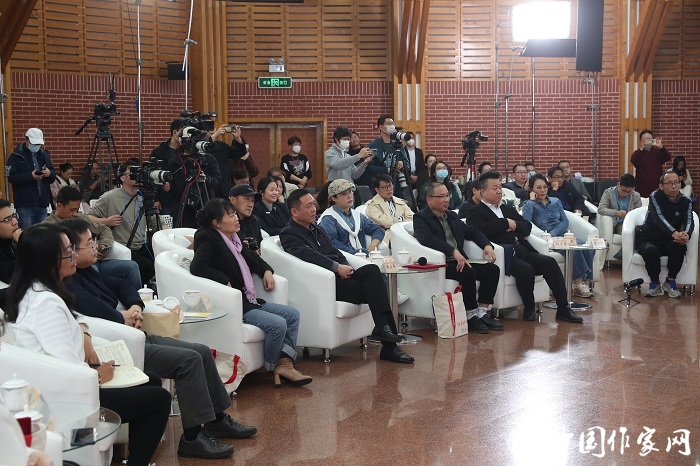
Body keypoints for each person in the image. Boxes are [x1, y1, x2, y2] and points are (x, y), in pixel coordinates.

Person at [61, 217, 256, 459]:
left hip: (135, 334)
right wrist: (121, 317)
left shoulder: (89, 271)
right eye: (89, 243)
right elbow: (95, 308)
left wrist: (134, 307)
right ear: (70, 250)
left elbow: (122, 285)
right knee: (189, 361)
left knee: (202, 351)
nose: (95, 247)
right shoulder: (68, 283)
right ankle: (192, 438)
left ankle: (216, 420)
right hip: (120, 346)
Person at [1, 223, 170, 466]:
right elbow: (66, 367)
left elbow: (71, 326)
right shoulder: (46, 303)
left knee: (150, 379)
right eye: (67, 252)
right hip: (68, 396)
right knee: (159, 399)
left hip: (61, 384)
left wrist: (84, 332)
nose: (74, 255)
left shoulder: (33, 290)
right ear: (47, 261)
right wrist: (99, 374)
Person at [281, 189, 415, 364]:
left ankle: (383, 330)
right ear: (294, 211)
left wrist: (347, 267)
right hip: (324, 283)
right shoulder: (289, 233)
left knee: (372, 271)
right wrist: (337, 268)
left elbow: (334, 251)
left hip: (340, 276)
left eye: (314, 204)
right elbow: (308, 256)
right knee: (374, 290)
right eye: (309, 206)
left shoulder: (316, 228)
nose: (314, 209)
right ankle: (390, 345)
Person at [191, 198, 312, 386]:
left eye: (234, 214)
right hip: (232, 303)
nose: (236, 218)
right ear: (216, 223)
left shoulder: (233, 239)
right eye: (230, 215)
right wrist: (224, 280)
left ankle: (285, 363)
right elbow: (198, 266)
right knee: (278, 324)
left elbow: (253, 259)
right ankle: (272, 367)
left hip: (247, 300)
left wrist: (267, 271)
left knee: (292, 314)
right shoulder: (208, 237)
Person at [464, 170, 583, 323]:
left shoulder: (506, 208)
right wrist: (504, 223)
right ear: (482, 191)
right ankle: (529, 308)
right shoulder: (475, 211)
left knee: (550, 263)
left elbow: (527, 227)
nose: (499, 191)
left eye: (500, 187)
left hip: (522, 248)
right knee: (526, 270)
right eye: (495, 188)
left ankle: (563, 308)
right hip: (505, 254)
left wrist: (513, 225)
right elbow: (479, 230)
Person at [414, 181, 502, 334]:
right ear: (429, 199)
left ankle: (482, 313)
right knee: (468, 272)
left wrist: (487, 245)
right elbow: (426, 238)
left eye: (447, 195)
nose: (446, 200)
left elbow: (472, 232)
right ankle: (471, 315)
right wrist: (452, 251)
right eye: (441, 197)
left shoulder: (452, 216)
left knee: (492, 270)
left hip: (460, 260)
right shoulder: (421, 218)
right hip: (442, 263)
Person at [43, 186, 141, 290]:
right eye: (72, 210)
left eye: (77, 209)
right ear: (59, 206)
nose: (75, 213)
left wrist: (104, 244)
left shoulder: (80, 218)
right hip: (76, 268)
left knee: (132, 266)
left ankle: (140, 297)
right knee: (93, 270)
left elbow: (103, 229)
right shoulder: (47, 227)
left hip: (97, 261)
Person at [521, 173, 595, 298]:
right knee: (574, 250)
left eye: (545, 187)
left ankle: (583, 280)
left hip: (562, 235)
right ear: (531, 189)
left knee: (588, 247)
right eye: (538, 187)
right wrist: (531, 201)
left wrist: (554, 233)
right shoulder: (529, 204)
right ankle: (578, 283)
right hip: (545, 239)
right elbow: (527, 223)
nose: (542, 190)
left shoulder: (555, 201)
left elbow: (565, 221)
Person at [88, 160, 155, 283]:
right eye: (133, 172)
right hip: (121, 246)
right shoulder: (110, 197)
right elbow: (88, 218)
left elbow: (154, 220)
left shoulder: (142, 197)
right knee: (148, 267)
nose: (137, 176)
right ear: (123, 177)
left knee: (159, 262)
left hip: (140, 245)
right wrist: (106, 221)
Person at [637, 172, 694, 298]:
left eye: (676, 183)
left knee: (679, 246)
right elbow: (659, 218)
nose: (673, 186)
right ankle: (654, 283)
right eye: (669, 183)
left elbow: (690, 220)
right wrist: (674, 233)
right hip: (650, 237)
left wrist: (686, 234)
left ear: (680, 184)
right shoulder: (655, 196)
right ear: (661, 186)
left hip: (669, 239)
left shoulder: (686, 201)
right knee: (650, 251)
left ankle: (670, 281)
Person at [167, 127, 222, 228]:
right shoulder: (176, 161)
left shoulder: (208, 159)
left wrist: (206, 179)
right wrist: (169, 186)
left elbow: (217, 181)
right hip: (183, 211)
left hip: (205, 205)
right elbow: (174, 188)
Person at [319, 179, 385, 256]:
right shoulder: (328, 217)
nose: (349, 196)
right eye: (344, 194)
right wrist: (355, 254)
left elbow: (378, 229)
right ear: (333, 198)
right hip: (342, 258)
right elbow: (331, 242)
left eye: (350, 192)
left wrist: (372, 247)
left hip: (363, 256)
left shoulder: (357, 215)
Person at [8, 128, 56, 229]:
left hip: (42, 203)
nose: (36, 146)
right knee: (26, 232)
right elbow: (12, 177)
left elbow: (52, 176)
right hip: (25, 204)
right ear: (26, 140)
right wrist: (31, 176)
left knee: (42, 233)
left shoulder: (44, 155)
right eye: (34, 143)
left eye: (38, 144)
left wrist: (49, 173)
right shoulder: (16, 156)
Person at [598, 173, 642, 259]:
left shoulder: (635, 195)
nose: (626, 194)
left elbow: (639, 212)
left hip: (631, 223)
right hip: (617, 223)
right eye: (624, 190)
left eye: (629, 192)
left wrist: (629, 215)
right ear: (618, 185)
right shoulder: (608, 192)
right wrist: (616, 213)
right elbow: (601, 209)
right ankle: (625, 253)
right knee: (626, 230)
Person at [364, 174, 414, 245]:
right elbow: (384, 222)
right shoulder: (371, 205)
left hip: (406, 231)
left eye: (390, 186)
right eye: (385, 187)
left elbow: (412, 217)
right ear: (377, 190)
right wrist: (401, 219)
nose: (389, 189)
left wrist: (401, 224)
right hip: (387, 235)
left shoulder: (400, 201)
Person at [150, 118, 185, 216]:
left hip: (183, 199)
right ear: (175, 132)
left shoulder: (187, 152)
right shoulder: (159, 152)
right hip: (165, 200)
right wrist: (155, 199)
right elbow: (152, 175)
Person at [362, 116, 407, 189]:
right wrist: (386, 170)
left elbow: (407, 163)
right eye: (389, 124)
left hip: (398, 184)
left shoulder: (397, 144)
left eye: (393, 123)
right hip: (381, 184)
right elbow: (369, 168)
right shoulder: (373, 146)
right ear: (381, 127)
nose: (392, 126)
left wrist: (402, 164)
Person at [631, 130, 671, 197]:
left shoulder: (657, 151)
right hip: (642, 186)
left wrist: (661, 147)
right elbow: (633, 161)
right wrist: (642, 149)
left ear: (653, 140)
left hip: (656, 185)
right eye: (645, 140)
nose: (647, 141)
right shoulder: (638, 153)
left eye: (649, 139)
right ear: (641, 141)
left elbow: (667, 157)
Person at [229, 184, 263, 254]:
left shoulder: (254, 221)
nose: (250, 205)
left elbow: (259, 242)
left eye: (252, 201)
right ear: (233, 200)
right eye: (247, 199)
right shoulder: (225, 222)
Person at [0, 199, 21, 284]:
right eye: (7, 220)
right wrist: (24, 244)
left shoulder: (10, 241)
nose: (15, 222)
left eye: (13, 216)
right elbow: (14, 277)